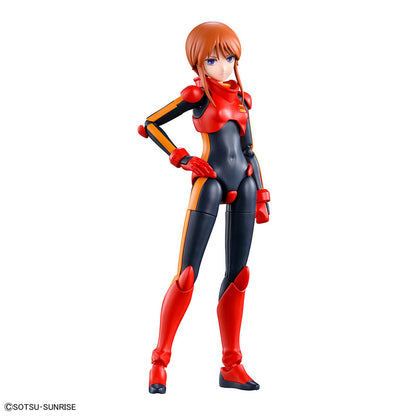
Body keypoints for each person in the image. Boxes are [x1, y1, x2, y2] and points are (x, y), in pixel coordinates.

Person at [138, 21, 270, 393]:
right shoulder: (197, 95)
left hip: (245, 183)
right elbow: (151, 124)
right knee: (187, 275)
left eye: (229, 58)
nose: (223, 66)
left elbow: (249, 150)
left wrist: (262, 194)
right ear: (198, 62)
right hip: (209, 183)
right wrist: (181, 157)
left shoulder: (243, 99)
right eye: (213, 60)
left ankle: (232, 365)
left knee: (238, 276)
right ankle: (159, 363)